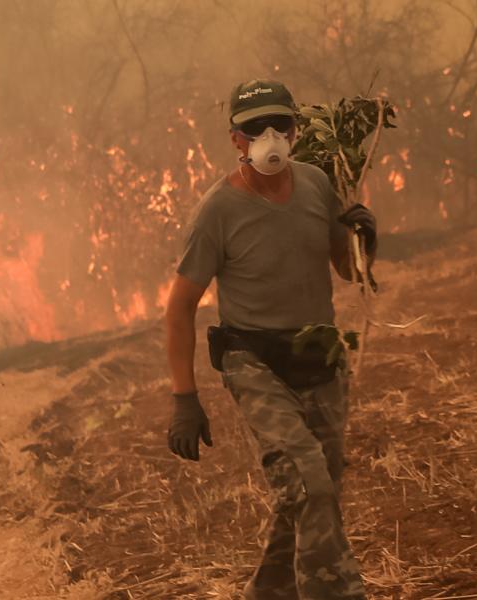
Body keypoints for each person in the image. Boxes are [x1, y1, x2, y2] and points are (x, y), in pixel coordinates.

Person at [164, 78, 376, 600]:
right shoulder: (217, 211)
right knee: (309, 485)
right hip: (253, 360)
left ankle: (270, 591)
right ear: (236, 139)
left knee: (314, 490)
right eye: (255, 128)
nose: (270, 137)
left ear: (296, 129)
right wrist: (184, 400)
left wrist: (366, 239)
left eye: (279, 124)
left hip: (319, 356)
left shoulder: (316, 186)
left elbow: (349, 271)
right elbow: (179, 308)